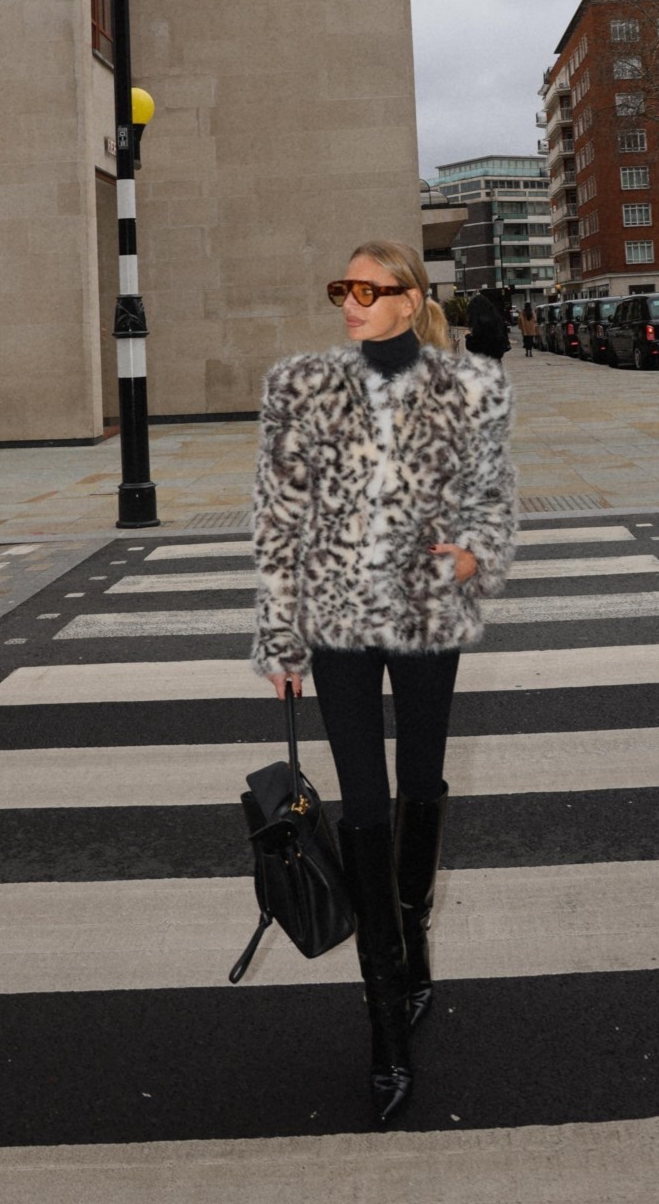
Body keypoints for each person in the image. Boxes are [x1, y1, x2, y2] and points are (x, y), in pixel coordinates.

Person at [250, 238, 516, 1126]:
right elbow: (280, 513)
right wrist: (279, 634)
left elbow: (491, 498)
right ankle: (383, 1031)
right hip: (335, 624)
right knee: (361, 805)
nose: (350, 302)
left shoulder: (466, 385)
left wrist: (471, 555)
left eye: (368, 289)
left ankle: (413, 951)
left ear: (410, 299)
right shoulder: (304, 387)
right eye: (342, 288)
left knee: (421, 784)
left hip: (425, 617)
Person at [464, 284, 509, 361]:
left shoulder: (480, 324)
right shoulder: (497, 320)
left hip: (483, 363)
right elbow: (504, 342)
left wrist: (468, 337)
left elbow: (474, 346)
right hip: (496, 362)